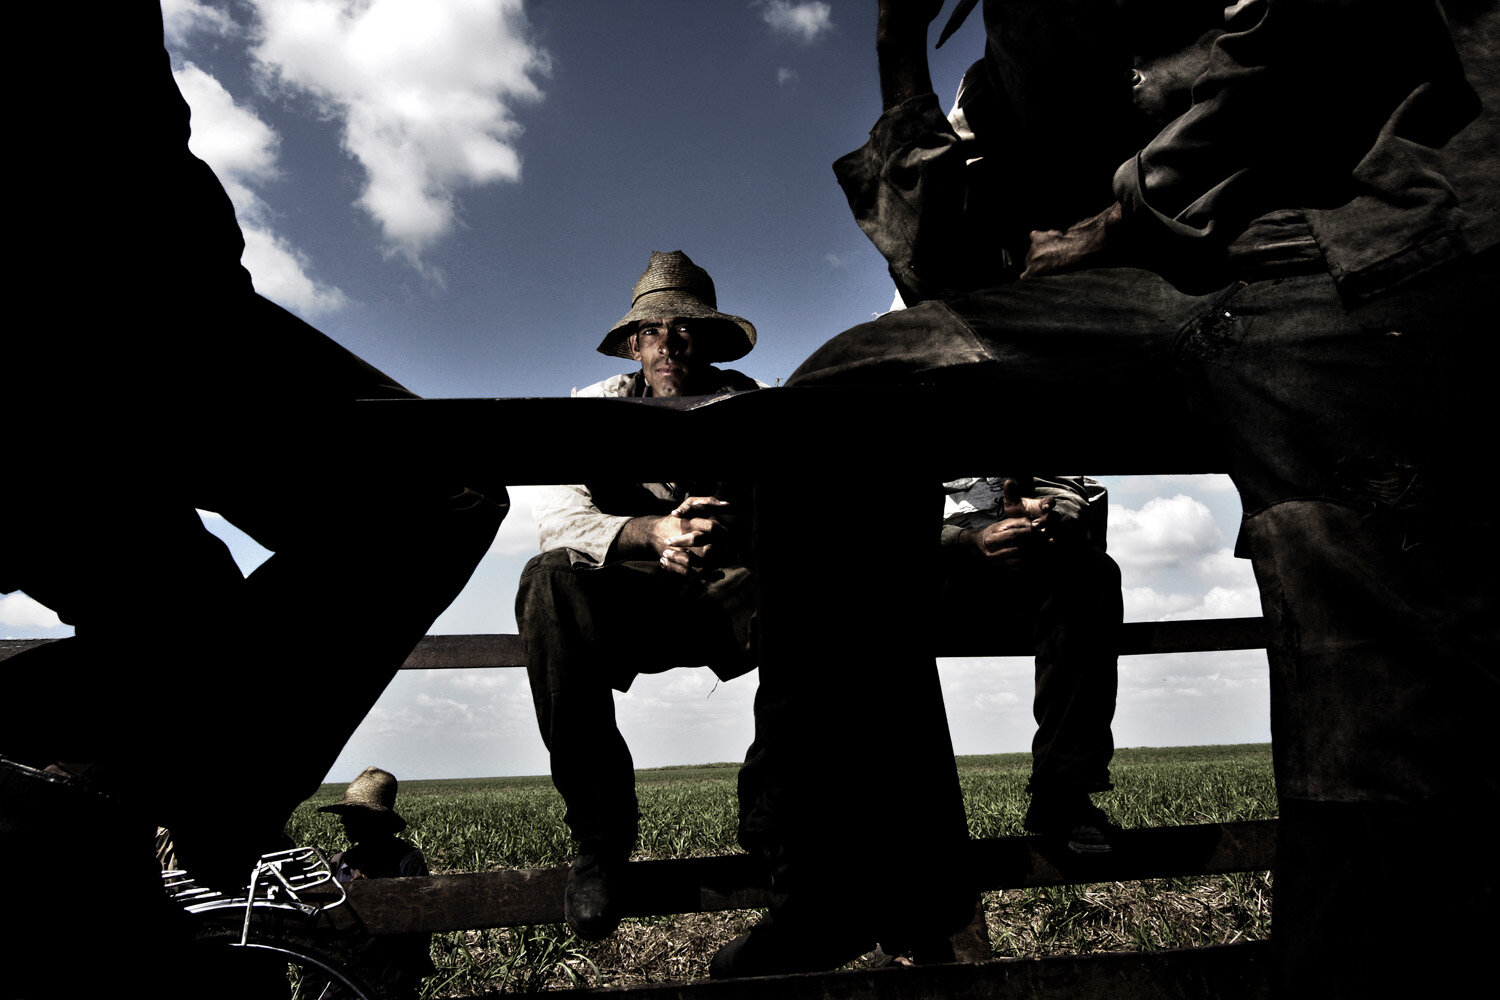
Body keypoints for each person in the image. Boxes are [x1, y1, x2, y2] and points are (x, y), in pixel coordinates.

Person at [789, 1, 1497, 995]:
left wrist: (1119, 215)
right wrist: (897, 51)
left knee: (1366, 623)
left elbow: (1306, 50)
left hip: (1340, 246)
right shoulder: (1003, 65)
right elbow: (948, 263)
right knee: (834, 404)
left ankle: (1377, 954)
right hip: (1136, 288)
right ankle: (895, 882)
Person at [1, 5, 505, 992]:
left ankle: (174, 797)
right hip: (116, 272)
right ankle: (199, 799)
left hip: (133, 265)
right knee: (428, 496)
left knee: (188, 608)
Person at [515, 250, 764, 941]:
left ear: (710, 340)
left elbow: (812, 510)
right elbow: (558, 521)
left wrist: (733, 523)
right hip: (637, 607)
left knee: (820, 582)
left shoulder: (759, 406)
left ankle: (777, 818)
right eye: (652, 330)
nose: (668, 343)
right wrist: (654, 531)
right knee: (547, 581)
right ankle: (599, 843)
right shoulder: (589, 412)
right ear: (632, 344)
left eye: (686, 329)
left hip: (739, 595)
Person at [937, 475, 1121, 852]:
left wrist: (1050, 516)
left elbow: (1068, 489)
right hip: (936, 563)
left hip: (1028, 557)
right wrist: (964, 540)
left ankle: (1064, 793)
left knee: (1093, 575)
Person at [320, 767, 435, 1000]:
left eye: (351, 815)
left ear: (372, 820)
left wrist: (374, 896)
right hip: (341, 979)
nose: (342, 821)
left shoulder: (407, 860)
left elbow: (418, 931)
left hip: (389, 976)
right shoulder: (340, 862)